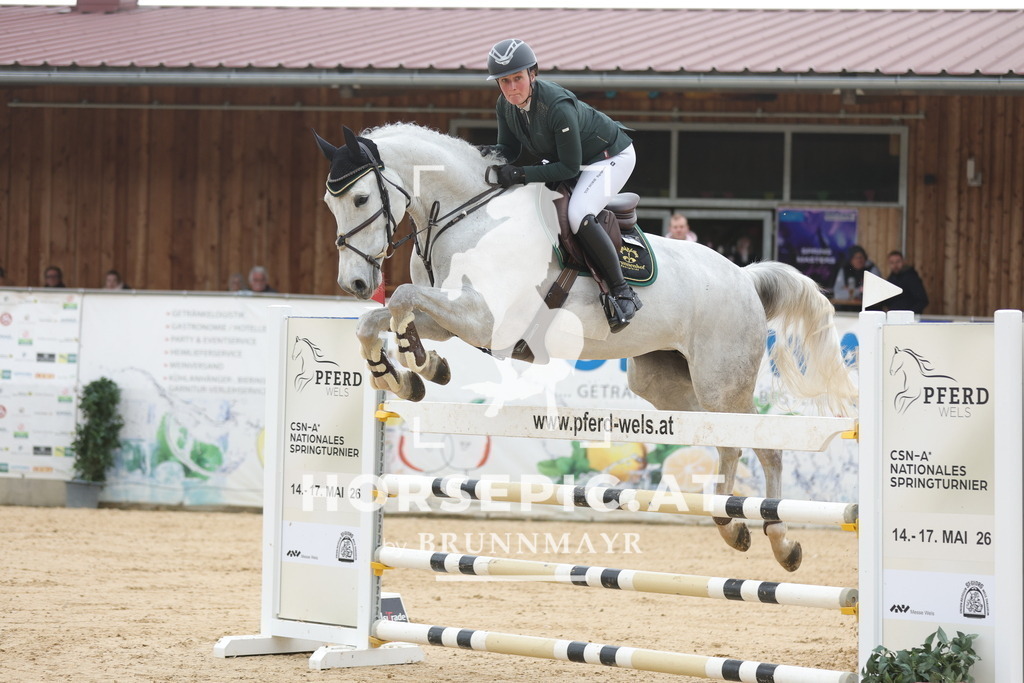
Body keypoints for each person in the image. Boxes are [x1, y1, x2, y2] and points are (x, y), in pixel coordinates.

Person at [485, 38, 641, 332]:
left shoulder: (556, 105)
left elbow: (569, 167)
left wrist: (519, 175)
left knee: (578, 213)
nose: (511, 88)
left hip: (610, 157)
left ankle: (622, 292)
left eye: (517, 78)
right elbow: (508, 150)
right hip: (577, 160)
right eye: (504, 81)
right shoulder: (505, 105)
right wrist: (480, 154)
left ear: (533, 74)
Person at [832, 245, 879, 312]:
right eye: (855, 258)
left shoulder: (872, 269)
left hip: (869, 311)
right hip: (847, 310)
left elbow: (874, 293)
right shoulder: (845, 270)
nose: (859, 260)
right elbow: (837, 294)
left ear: (865, 258)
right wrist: (859, 290)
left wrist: (849, 291)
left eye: (861, 257)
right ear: (850, 260)